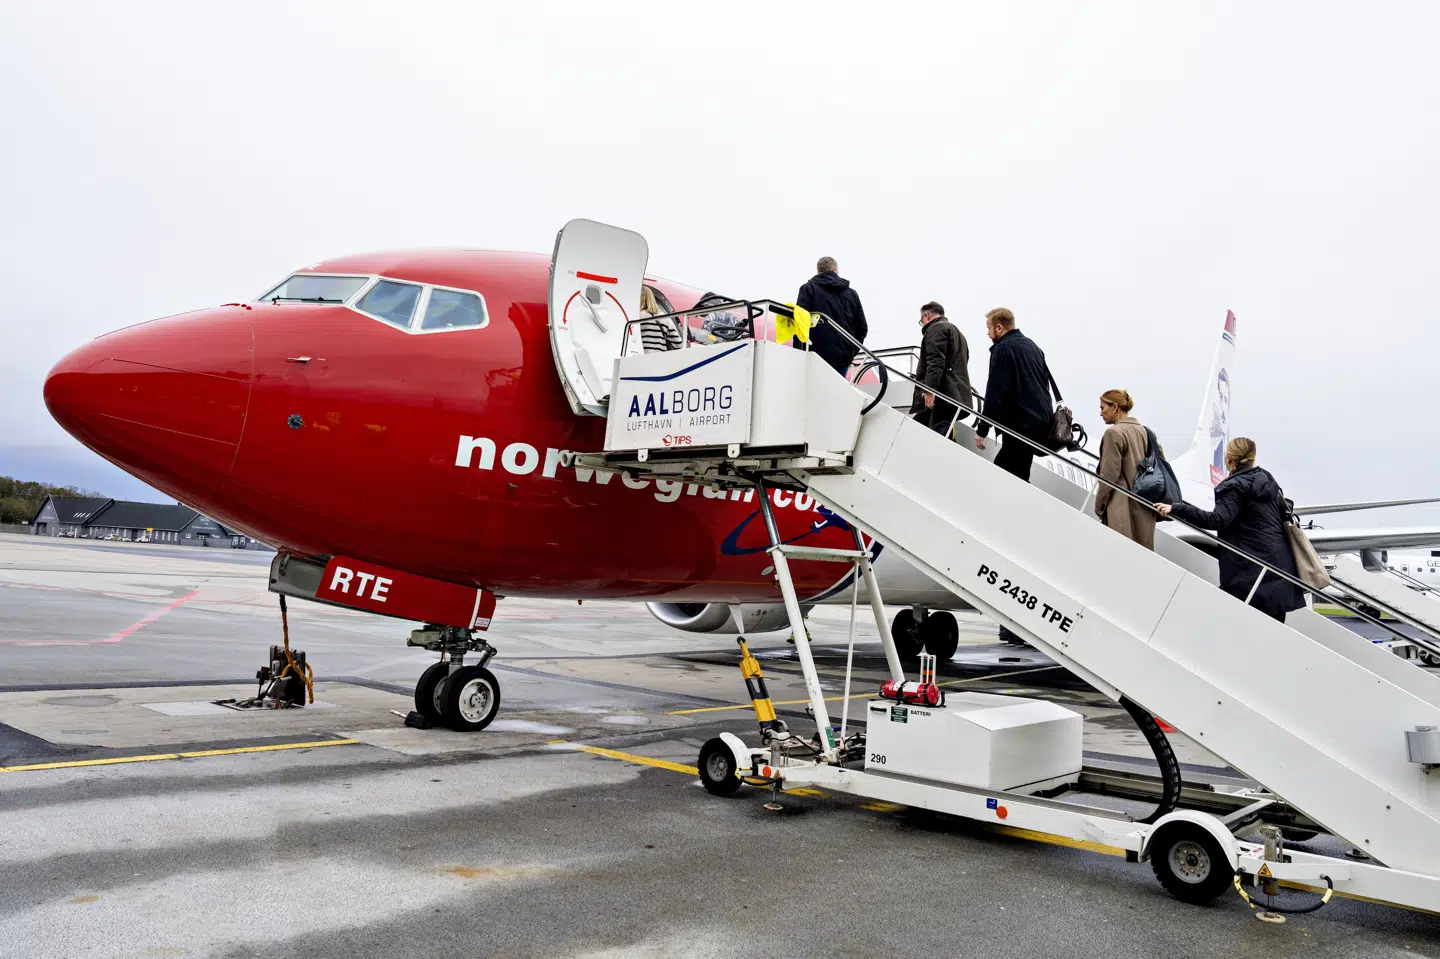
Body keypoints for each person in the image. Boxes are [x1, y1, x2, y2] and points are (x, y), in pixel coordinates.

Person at [1157, 438, 1306, 622]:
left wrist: (1177, 508)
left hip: (1253, 575)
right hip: (1278, 571)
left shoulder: (1234, 486)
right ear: (1252, 458)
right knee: (1270, 635)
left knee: (1243, 631)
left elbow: (1217, 519)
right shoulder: (1267, 480)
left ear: (1228, 459)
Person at [973, 307, 1053, 482]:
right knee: (1018, 471)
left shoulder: (1003, 348)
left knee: (1006, 476)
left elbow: (995, 392)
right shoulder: (1033, 347)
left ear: (999, 327)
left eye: (989, 328)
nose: (987, 333)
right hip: (1039, 422)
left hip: (1020, 424)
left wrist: (982, 428)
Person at [1093, 389, 1160, 550]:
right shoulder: (1148, 433)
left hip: (1121, 507)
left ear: (1115, 407)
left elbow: (1109, 476)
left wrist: (1099, 506)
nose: (1101, 413)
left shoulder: (1113, 433)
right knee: (1141, 561)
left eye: (1103, 408)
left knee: (1120, 557)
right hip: (1145, 507)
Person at [909, 301, 972, 438]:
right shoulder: (958, 334)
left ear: (926, 316)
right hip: (955, 394)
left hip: (943, 394)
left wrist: (929, 390)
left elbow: (935, 362)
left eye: (921, 321)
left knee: (940, 430)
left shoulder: (936, 329)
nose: (923, 325)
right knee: (918, 426)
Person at [795, 256, 868, 374]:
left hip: (815, 355)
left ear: (818, 271)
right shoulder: (852, 294)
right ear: (835, 270)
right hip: (843, 357)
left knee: (815, 391)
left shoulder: (808, 289)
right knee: (836, 391)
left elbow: (799, 324)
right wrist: (850, 353)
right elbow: (862, 328)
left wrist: (799, 353)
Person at [636, 285, 682, 353]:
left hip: (642, 357)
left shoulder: (637, 317)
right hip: (660, 359)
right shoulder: (664, 317)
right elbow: (678, 345)